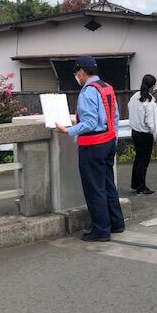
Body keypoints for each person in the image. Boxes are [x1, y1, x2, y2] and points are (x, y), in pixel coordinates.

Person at [54, 56, 125, 242]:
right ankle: (117, 222)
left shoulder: (87, 92)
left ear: (82, 72)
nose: (76, 76)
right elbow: (115, 117)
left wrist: (68, 130)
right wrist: (113, 138)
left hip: (93, 145)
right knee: (108, 184)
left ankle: (101, 230)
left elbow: (90, 122)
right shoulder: (107, 87)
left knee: (95, 188)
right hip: (109, 141)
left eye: (77, 72)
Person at [128, 74, 157, 195]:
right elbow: (152, 123)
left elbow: (129, 108)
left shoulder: (134, 97)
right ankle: (141, 187)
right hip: (145, 135)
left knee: (138, 159)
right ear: (152, 86)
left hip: (135, 132)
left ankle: (135, 183)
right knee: (143, 161)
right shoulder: (149, 102)